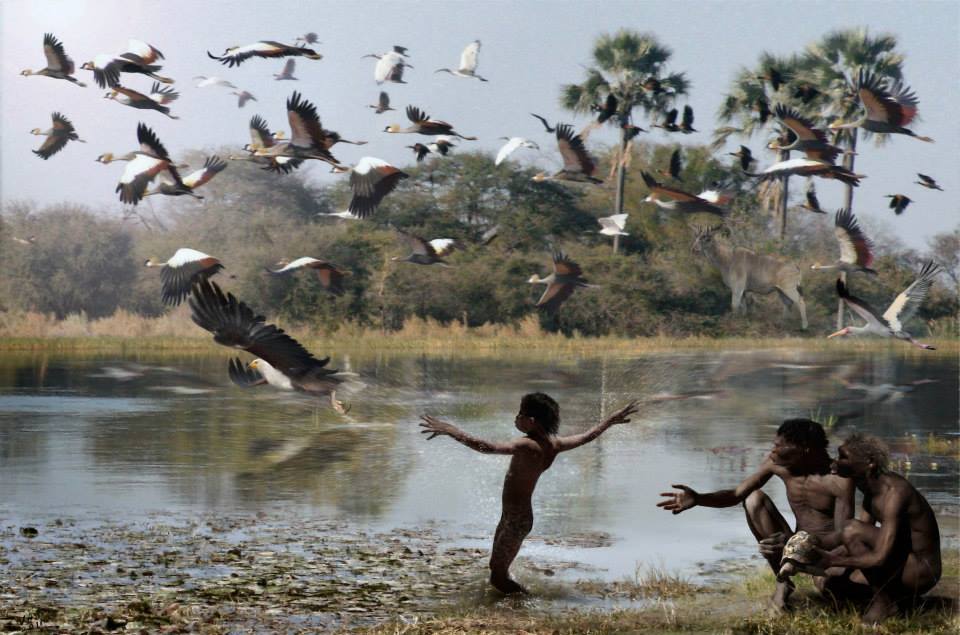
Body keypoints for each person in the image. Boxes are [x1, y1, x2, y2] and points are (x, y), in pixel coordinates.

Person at [419, 393, 638, 594]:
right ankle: (513, 601)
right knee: (496, 569)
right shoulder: (555, 443)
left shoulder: (526, 445)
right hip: (515, 517)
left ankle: (530, 602)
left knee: (497, 578)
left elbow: (486, 447)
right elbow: (587, 436)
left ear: (531, 421)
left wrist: (452, 431)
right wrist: (611, 420)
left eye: (520, 414)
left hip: (516, 520)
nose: (516, 418)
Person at [657, 418, 858, 610]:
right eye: (774, 445)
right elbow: (736, 494)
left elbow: (842, 535)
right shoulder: (778, 464)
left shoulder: (839, 479)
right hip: (792, 543)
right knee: (753, 499)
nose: (773, 451)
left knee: (835, 594)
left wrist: (800, 546)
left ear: (804, 448)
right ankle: (783, 582)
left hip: (826, 553)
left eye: (780, 446)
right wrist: (699, 499)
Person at [816, 433, 942, 624]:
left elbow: (879, 556)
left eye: (843, 457)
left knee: (850, 531)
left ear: (870, 462)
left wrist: (832, 559)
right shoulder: (871, 491)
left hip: (921, 571)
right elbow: (851, 539)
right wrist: (807, 545)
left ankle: (885, 604)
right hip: (901, 561)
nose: (836, 462)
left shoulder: (895, 492)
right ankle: (901, 599)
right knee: (829, 580)